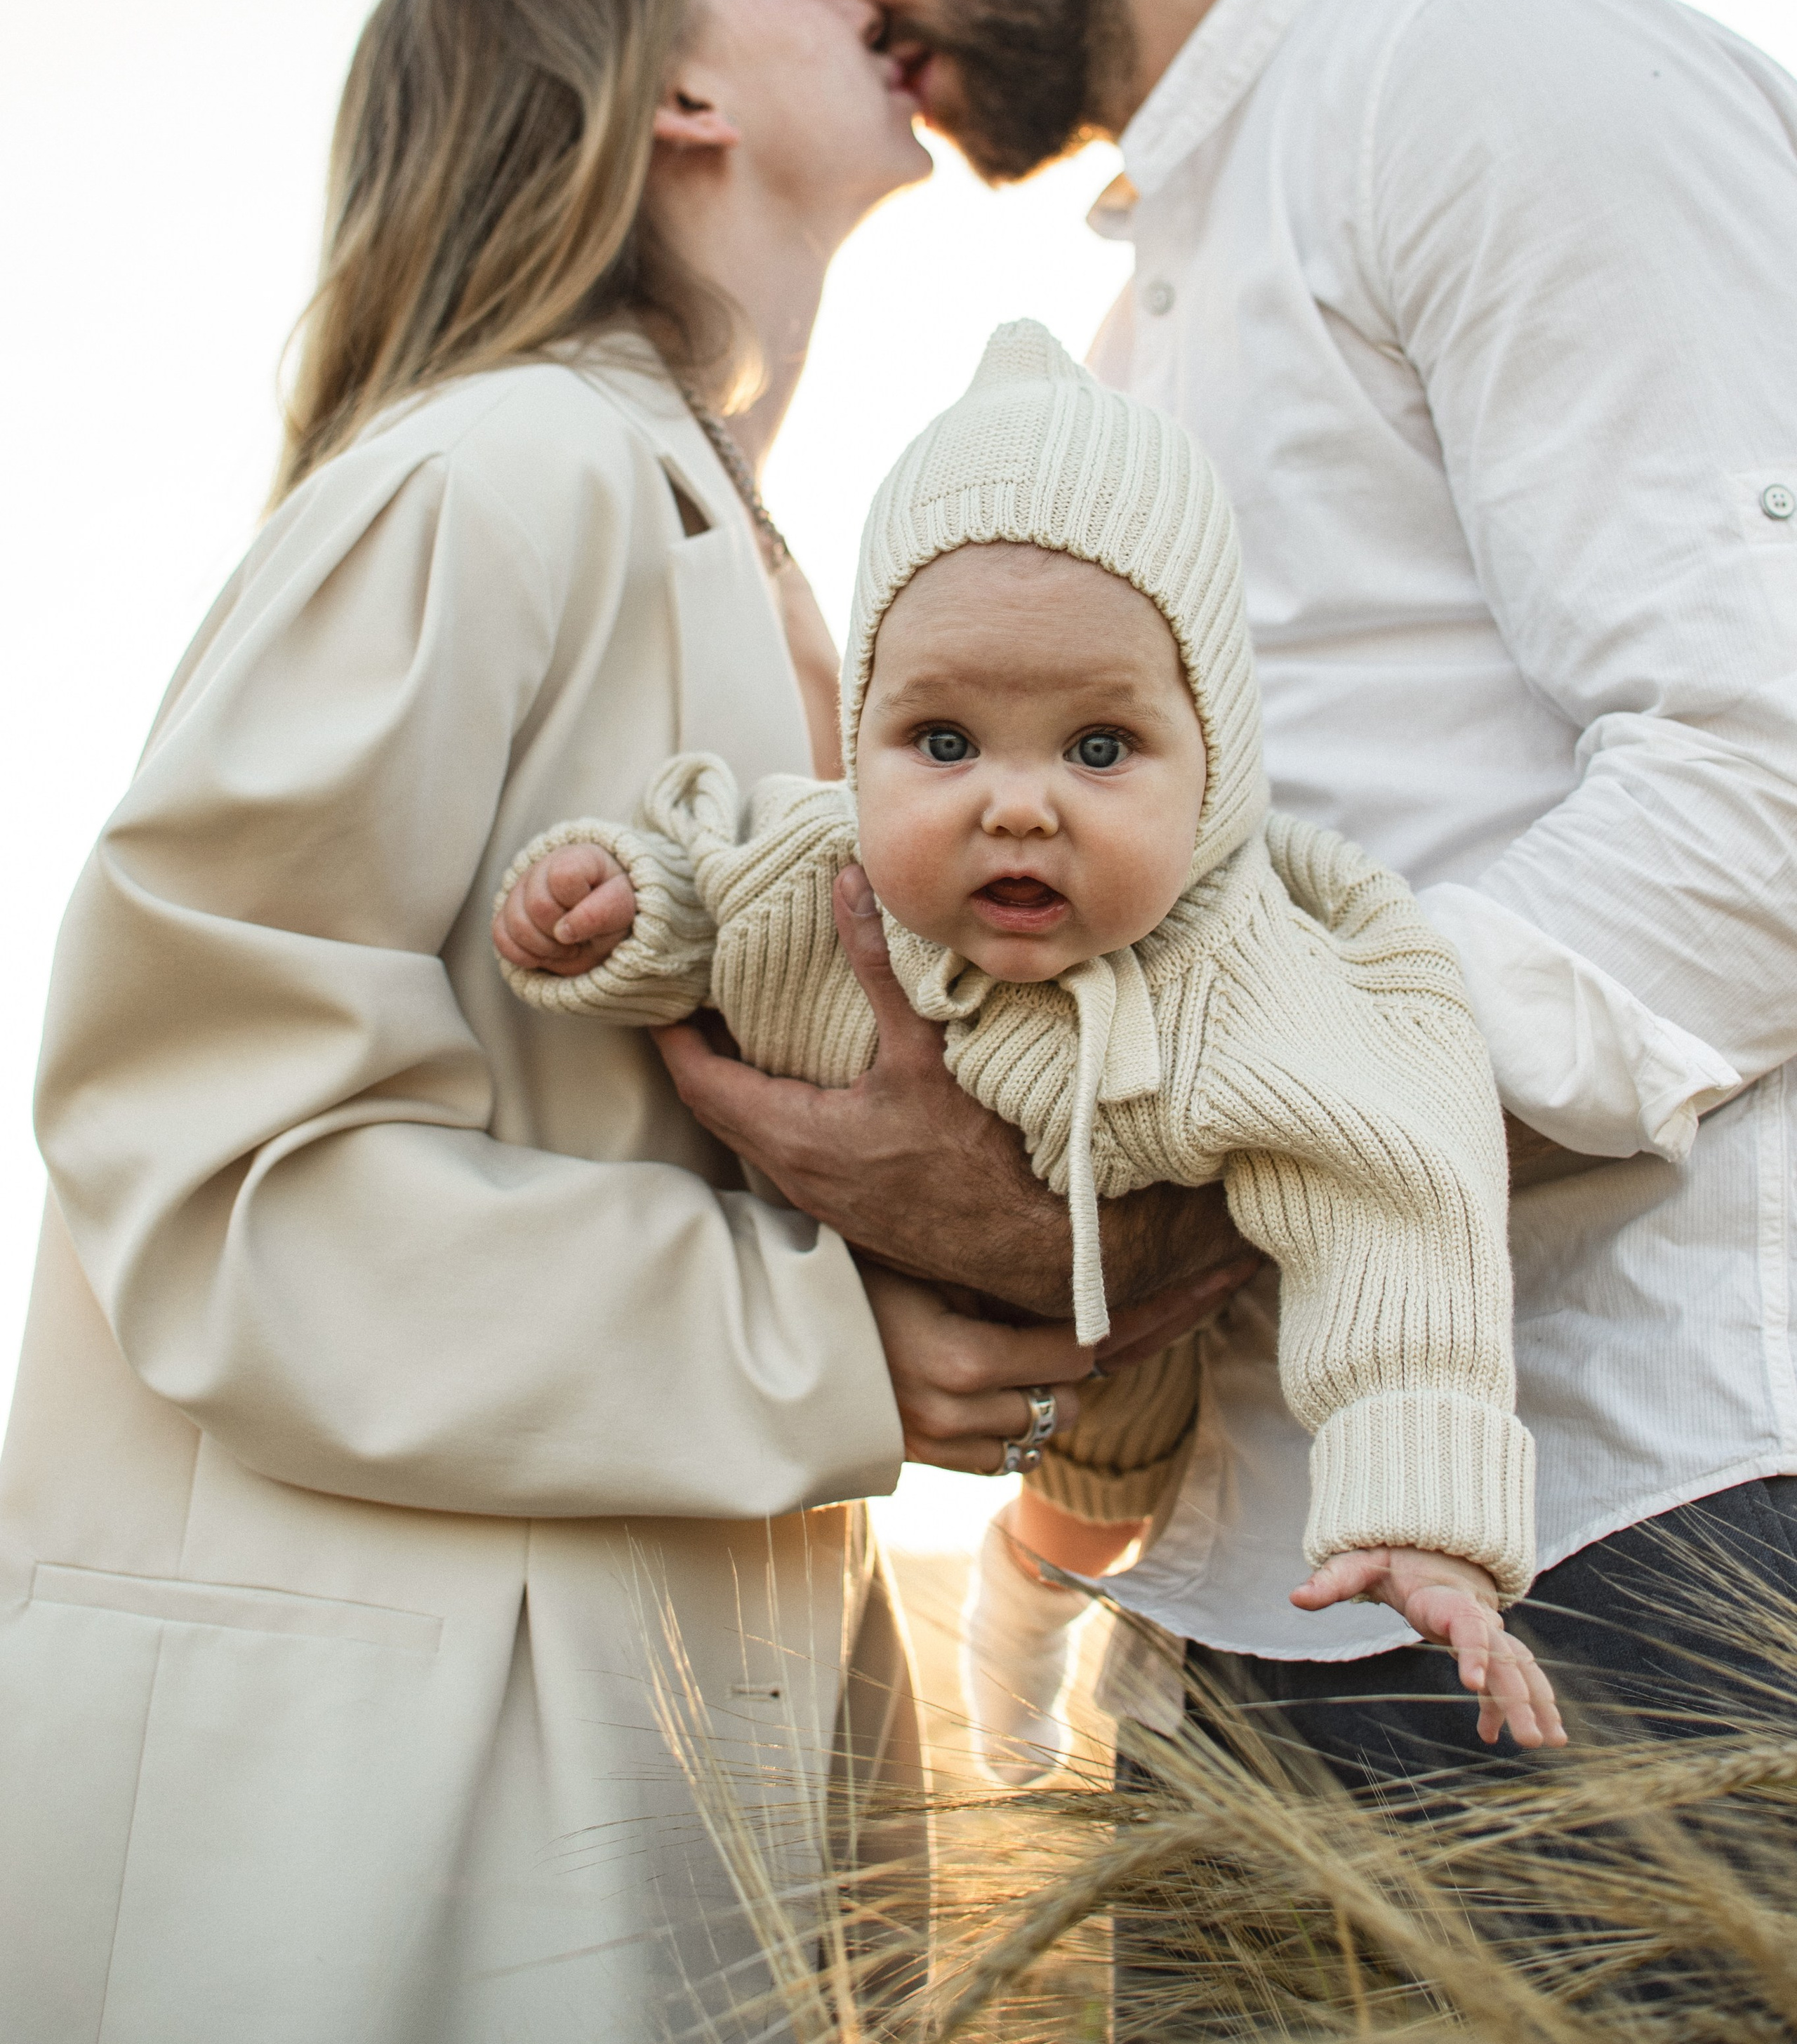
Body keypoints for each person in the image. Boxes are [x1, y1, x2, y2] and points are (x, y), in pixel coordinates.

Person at [0, 0, 1249, 2044]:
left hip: (665, 1769)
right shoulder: (494, 476)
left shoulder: (744, 544)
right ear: (679, 96)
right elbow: (208, 1163)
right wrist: (829, 1349)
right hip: (393, 1840)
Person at [719, 0, 1797, 1789]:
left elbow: (1757, 762)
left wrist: (1176, 1188)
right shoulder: (1117, 349)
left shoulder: (1482, 63)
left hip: (1654, 1517)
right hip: (1233, 1609)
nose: (830, 13)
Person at [496, 320, 1564, 1762]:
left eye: (1097, 748)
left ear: (1215, 759)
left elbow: (1394, 1207)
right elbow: (698, 888)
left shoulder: (1242, 972)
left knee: (1095, 1496)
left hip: (1119, 1365)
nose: (1014, 803)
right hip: (849, 1342)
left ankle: (1025, 1597)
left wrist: (1423, 1522)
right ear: (862, 729)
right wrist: (613, 913)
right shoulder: (823, 875)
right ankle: (1008, 1594)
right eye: (942, 740)